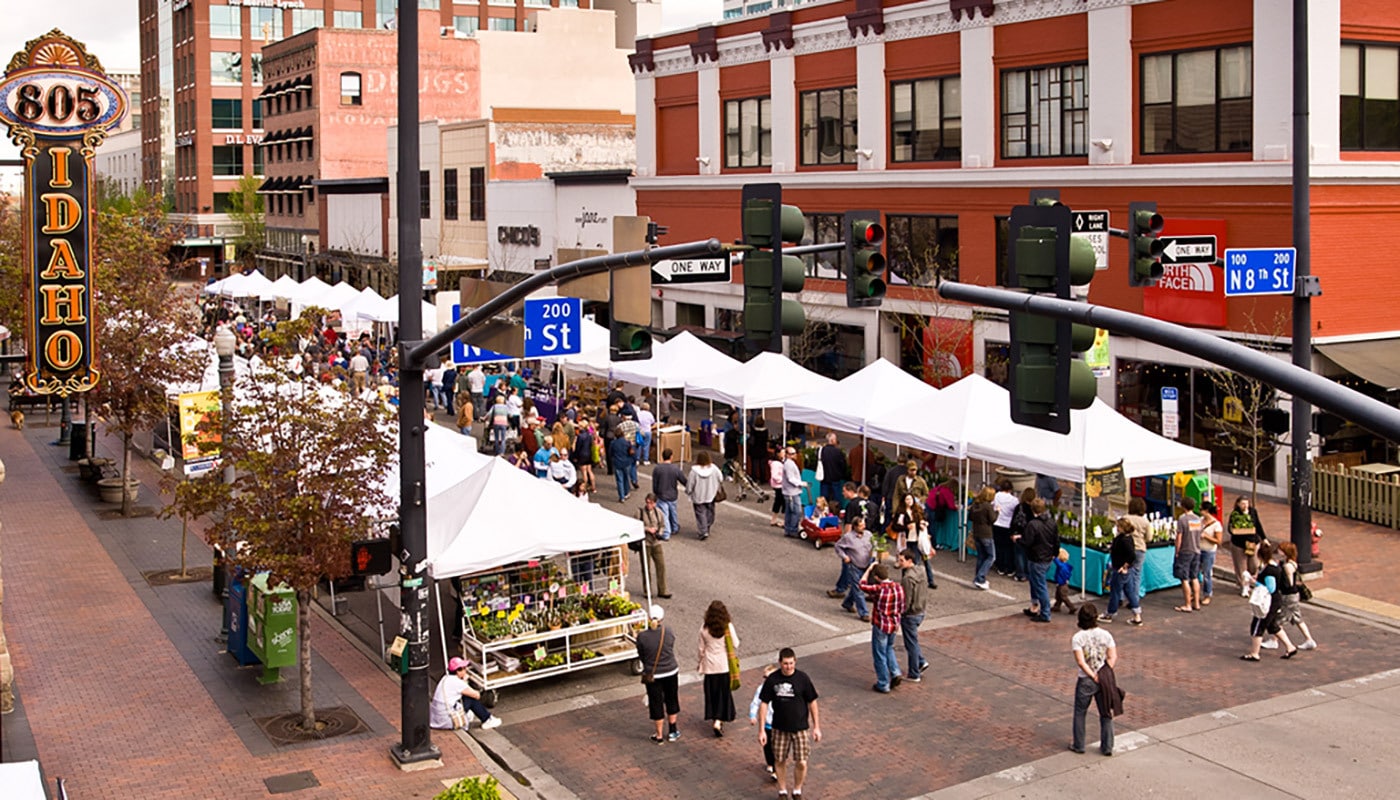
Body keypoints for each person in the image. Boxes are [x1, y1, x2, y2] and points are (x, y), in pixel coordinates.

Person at [758, 648, 822, 800]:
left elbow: (812, 702)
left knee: (802, 762)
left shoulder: (802, 678)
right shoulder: (772, 680)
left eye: (791, 663)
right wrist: (761, 730)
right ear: (780, 663)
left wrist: (817, 727)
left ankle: (797, 790)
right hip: (779, 728)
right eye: (786, 663)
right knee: (779, 760)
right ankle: (782, 791)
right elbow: (764, 704)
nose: (789, 667)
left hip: (800, 728)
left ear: (795, 662)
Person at [1069, 604, 1117, 756]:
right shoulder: (1106, 635)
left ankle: (1079, 744)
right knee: (1106, 713)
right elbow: (1112, 656)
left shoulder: (1078, 638)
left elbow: (1081, 661)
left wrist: (1092, 675)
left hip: (1086, 679)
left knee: (1080, 712)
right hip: (1104, 679)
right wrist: (1104, 672)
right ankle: (1107, 746)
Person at [1242, 542, 1297, 661]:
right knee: (1272, 626)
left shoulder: (1269, 570)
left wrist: (1254, 582)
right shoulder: (1273, 566)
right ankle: (1290, 647)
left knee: (1258, 626)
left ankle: (1254, 653)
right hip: (1275, 601)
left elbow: (1271, 588)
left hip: (1269, 602)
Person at [635, 604, 681, 743]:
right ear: (662, 618)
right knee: (671, 699)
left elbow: (641, 655)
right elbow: (670, 646)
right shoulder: (668, 632)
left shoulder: (642, 636)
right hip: (671, 671)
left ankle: (659, 735)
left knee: (656, 702)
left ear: (649, 618)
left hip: (653, 675)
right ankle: (672, 730)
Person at [858, 562, 905, 693]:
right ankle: (895, 671)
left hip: (881, 625)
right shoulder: (898, 587)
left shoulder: (879, 589)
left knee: (879, 654)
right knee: (889, 648)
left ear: (877, 577)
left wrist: (868, 569)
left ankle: (883, 683)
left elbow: (861, 584)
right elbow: (902, 607)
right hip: (894, 624)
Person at [698, 600, 740, 737]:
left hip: (709, 666)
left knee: (712, 694)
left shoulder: (704, 628)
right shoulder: (727, 627)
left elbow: (701, 649)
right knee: (723, 694)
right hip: (723, 666)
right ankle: (718, 720)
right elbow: (736, 643)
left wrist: (700, 662)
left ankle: (714, 717)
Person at [430, 657, 502, 731]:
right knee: (471, 699)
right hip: (448, 719)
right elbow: (476, 695)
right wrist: (466, 681)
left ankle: (469, 715)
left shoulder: (445, 678)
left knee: (465, 697)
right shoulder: (458, 682)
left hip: (438, 719)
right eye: (464, 668)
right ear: (458, 671)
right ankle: (487, 719)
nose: (466, 670)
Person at [1276, 541, 1318, 651]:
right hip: (1293, 595)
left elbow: (1289, 583)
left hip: (1288, 596)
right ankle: (1309, 639)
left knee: (1277, 620)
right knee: (1297, 618)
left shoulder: (1287, 566)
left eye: (1281, 550)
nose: (1278, 551)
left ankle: (1275, 640)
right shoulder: (1291, 563)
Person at [1100, 518, 1143, 626]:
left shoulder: (1123, 540)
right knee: (1130, 592)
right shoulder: (1127, 538)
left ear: (1122, 528)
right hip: (1125, 570)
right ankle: (1137, 615)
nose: (1117, 528)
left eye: (1118, 526)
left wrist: (1124, 566)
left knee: (1115, 591)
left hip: (1120, 569)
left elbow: (1131, 555)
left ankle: (1110, 613)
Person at [896, 548, 930, 683]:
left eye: (901, 560)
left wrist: (901, 612)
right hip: (920, 610)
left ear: (909, 560)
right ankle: (921, 661)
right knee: (913, 641)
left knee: (911, 644)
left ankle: (914, 673)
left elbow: (906, 599)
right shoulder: (921, 571)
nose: (899, 563)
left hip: (910, 614)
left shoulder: (907, 578)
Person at [1022, 498, 1059, 623]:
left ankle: (1045, 613)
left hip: (1036, 558)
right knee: (1035, 583)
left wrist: (1018, 540)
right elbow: (1056, 540)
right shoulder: (1052, 523)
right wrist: (1054, 553)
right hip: (1047, 557)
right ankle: (1035, 606)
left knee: (1040, 585)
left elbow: (1027, 542)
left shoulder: (1033, 524)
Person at [835, 517, 874, 621]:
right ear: (855, 527)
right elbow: (838, 546)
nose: (863, 527)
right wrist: (844, 557)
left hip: (866, 565)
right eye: (861, 526)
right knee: (859, 589)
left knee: (858, 587)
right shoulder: (848, 537)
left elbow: (873, 546)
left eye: (864, 525)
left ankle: (848, 602)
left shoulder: (868, 535)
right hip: (854, 566)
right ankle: (864, 613)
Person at [748, 663, 780, 782]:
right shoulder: (761, 689)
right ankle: (770, 763)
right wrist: (752, 715)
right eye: (765, 677)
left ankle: (777, 770)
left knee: (777, 748)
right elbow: (755, 703)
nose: (766, 680)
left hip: (779, 724)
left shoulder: (780, 688)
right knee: (768, 747)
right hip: (767, 724)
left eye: (769, 677)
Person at [1228, 496, 1267, 596]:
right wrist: (1236, 531)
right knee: (1241, 566)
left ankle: (1250, 580)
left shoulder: (1253, 512)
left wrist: (1264, 538)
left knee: (1253, 565)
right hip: (1239, 544)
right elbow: (1230, 528)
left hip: (1252, 542)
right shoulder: (1235, 514)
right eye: (1242, 503)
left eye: (1246, 503)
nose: (1245, 506)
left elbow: (1258, 525)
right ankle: (1244, 587)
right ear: (1238, 504)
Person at [1173, 497, 1203, 613]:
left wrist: (1177, 551)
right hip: (1196, 550)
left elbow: (1179, 537)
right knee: (1194, 577)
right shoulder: (1197, 519)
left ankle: (1187, 604)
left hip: (1185, 551)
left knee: (1184, 578)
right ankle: (1196, 603)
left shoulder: (1182, 519)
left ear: (1183, 506)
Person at [637, 494, 671, 598]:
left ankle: (662, 590)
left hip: (656, 543)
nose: (648, 505)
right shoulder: (640, 513)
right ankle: (647, 591)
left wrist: (659, 533)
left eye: (651, 503)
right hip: (645, 543)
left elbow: (662, 525)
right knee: (646, 568)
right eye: (647, 502)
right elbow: (636, 525)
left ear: (655, 503)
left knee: (661, 566)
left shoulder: (658, 512)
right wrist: (647, 529)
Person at [686, 451, 723, 540]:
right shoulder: (714, 468)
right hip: (711, 494)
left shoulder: (694, 471)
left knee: (700, 513)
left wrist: (688, 491)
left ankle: (703, 531)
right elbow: (721, 478)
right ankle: (707, 526)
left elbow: (690, 484)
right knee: (710, 512)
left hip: (698, 496)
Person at [969, 486, 998, 590]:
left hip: (976, 533)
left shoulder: (975, 505)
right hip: (986, 534)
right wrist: (997, 511)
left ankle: (979, 577)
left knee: (981, 556)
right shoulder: (987, 507)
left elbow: (970, 517)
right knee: (991, 557)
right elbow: (993, 519)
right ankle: (980, 577)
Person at [652, 448, 684, 539]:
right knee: (673, 512)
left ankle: (666, 533)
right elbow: (683, 480)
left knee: (664, 514)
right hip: (672, 494)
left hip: (661, 494)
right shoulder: (675, 468)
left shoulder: (657, 469)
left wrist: (655, 493)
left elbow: (655, 483)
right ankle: (674, 527)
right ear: (671, 456)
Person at [991, 481, 1020, 579]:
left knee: (998, 546)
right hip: (1007, 525)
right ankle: (1009, 568)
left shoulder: (996, 496)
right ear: (1010, 489)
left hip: (997, 523)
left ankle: (1001, 567)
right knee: (1008, 548)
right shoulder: (1014, 500)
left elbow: (993, 505)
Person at [1008, 487, 1037, 582]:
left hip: (1017, 533)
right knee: (1027, 555)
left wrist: (1012, 532)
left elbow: (1013, 520)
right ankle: (1027, 573)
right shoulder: (1033, 509)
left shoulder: (1019, 507)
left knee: (1019, 554)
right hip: (1028, 534)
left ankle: (1020, 574)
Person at [1199, 501, 1223, 606]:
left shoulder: (1216, 525)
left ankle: (1207, 594)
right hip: (1198, 549)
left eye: (1201, 509)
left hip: (1208, 551)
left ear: (1206, 511)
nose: (1200, 511)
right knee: (1195, 572)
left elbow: (1218, 541)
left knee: (1207, 573)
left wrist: (1206, 536)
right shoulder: (1200, 520)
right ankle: (1194, 592)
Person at [781, 446, 807, 539]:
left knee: (789, 511)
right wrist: (801, 483)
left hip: (790, 491)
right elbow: (790, 478)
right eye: (792, 454)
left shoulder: (789, 463)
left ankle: (788, 529)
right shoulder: (789, 464)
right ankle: (792, 530)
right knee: (796, 511)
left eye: (794, 453)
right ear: (787, 455)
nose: (794, 455)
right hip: (792, 492)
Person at [817, 432, 847, 505]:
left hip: (824, 477)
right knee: (836, 497)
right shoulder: (838, 452)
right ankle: (836, 509)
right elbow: (843, 465)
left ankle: (824, 509)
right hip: (835, 477)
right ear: (833, 440)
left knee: (824, 498)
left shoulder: (821, 451)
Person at [608, 426, 636, 503]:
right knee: (626, 478)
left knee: (619, 480)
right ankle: (626, 492)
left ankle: (621, 496)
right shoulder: (627, 442)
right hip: (626, 462)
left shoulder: (613, 443)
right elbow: (631, 452)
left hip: (617, 463)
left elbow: (610, 453)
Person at [1050, 548, 1077, 614]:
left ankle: (1072, 607)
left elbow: (1057, 563)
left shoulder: (1061, 566)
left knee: (1063, 597)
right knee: (1059, 596)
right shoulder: (1066, 566)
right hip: (1063, 583)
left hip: (1061, 584)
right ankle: (1057, 606)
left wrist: (1053, 557)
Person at [768, 447, 786, 527]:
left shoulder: (779, 462)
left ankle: (774, 519)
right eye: (783, 452)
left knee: (778, 502)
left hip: (779, 485)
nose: (784, 454)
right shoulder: (776, 463)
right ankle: (784, 520)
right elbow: (775, 476)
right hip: (779, 485)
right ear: (778, 454)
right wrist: (783, 480)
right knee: (783, 502)